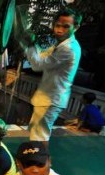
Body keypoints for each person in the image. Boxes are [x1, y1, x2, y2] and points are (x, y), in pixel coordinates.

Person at [22, 8, 82, 149]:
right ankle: (38, 163)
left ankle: (41, 165)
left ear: (76, 27)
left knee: (39, 135)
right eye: (57, 25)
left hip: (50, 98)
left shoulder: (68, 49)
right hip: (48, 97)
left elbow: (37, 65)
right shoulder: (62, 45)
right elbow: (42, 57)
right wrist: (32, 46)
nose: (59, 30)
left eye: (66, 26)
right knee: (38, 133)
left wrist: (29, 44)